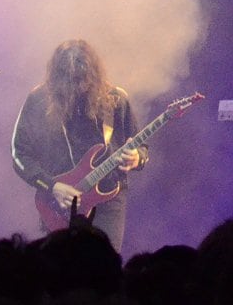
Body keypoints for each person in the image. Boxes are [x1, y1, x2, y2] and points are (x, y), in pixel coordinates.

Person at [11, 40, 142, 250]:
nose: (77, 87)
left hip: (108, 198)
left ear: (93, 75)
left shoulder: (116, 99)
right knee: (63, 265)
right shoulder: (38, 100)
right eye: (69, 80)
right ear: (56, 77)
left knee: (104, 262)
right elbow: (20, 154)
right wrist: (51, 186)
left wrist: (137, 158)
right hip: (62, 201)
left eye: (82, 80)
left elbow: (140, 148)